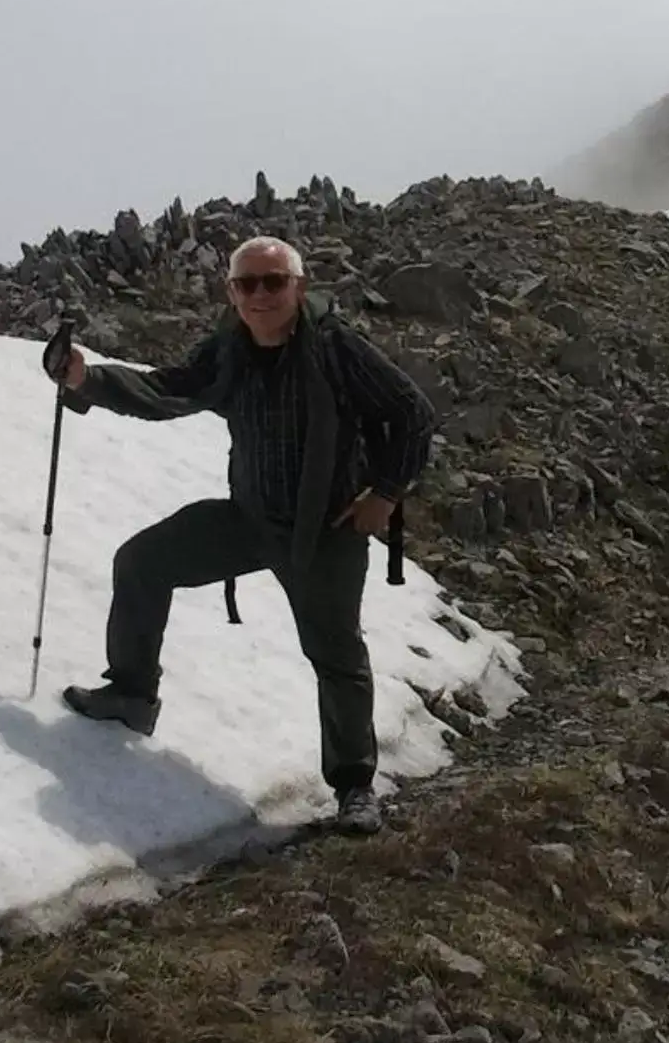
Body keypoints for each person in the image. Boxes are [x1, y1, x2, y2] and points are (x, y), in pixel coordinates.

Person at [47, 235, 435, 835]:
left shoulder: (336, 348)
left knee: (336, 656)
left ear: (299, 287)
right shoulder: (229, 349)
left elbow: (411, 412)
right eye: (246, 283)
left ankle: (355, 787)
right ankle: (130, 693)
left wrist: (383, 494)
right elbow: (168, 389)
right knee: (143, 561)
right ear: (230, 293)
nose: (260, 294)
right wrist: (85, 379)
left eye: (273, 282)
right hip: (250, 518)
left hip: (323, 531)